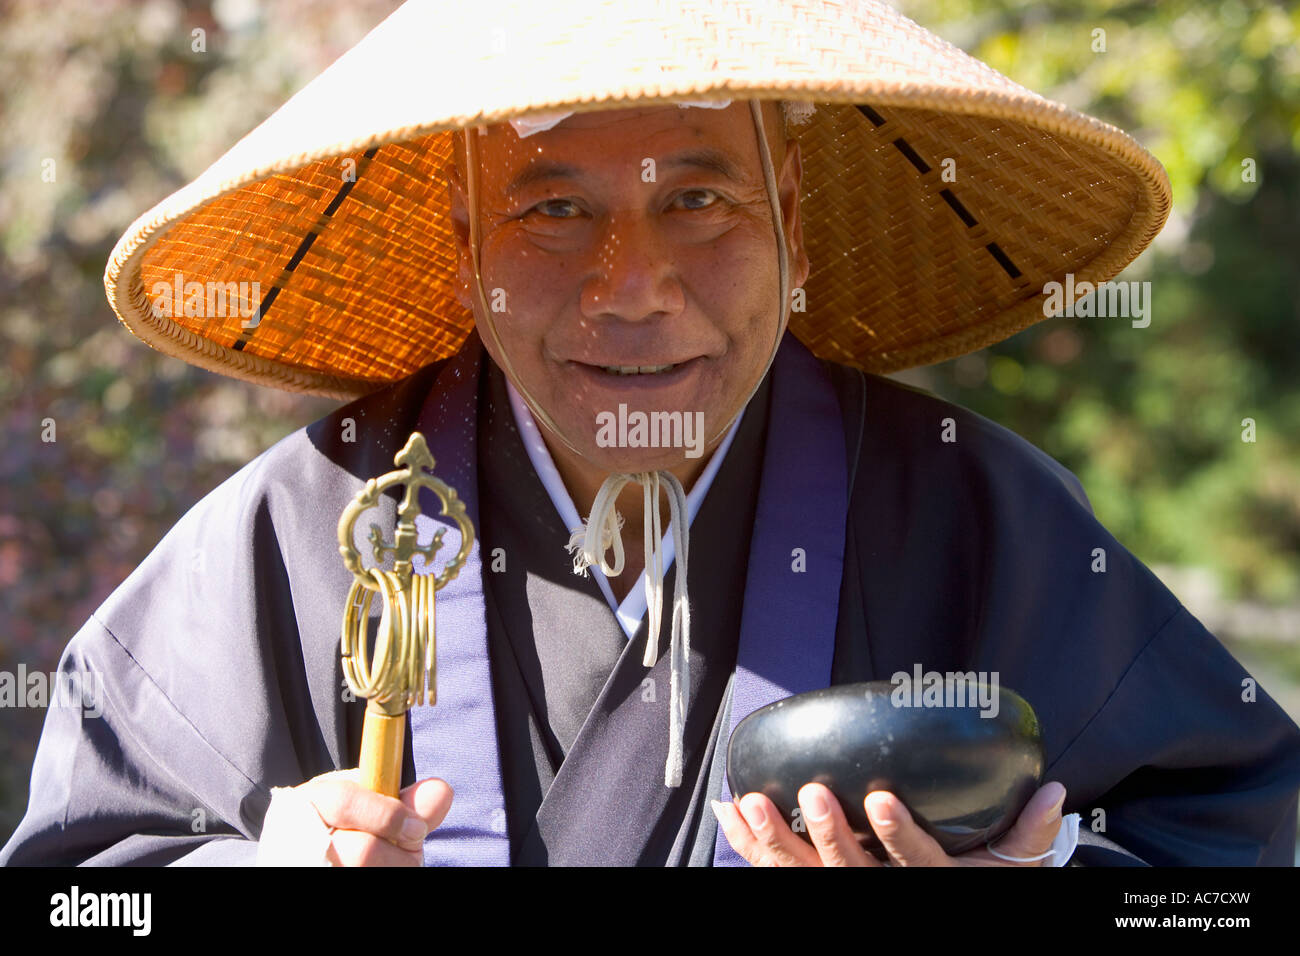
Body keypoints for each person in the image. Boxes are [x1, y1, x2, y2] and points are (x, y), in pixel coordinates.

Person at [4, 0, 1300, 867]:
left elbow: (1233, 859)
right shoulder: (304, 534)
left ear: (787, 212)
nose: (635, 282)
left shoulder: (975, 521)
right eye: (554, 211)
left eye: (698, 196)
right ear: (464, 246)